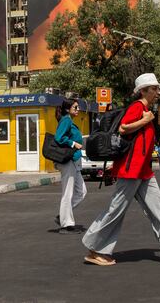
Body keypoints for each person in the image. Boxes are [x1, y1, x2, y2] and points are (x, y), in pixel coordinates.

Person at [82, 73, 160, 267]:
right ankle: (95, 249)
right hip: (131, 170)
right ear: (143, 91)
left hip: (143, 171)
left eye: (158, 88)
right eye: (154, 88)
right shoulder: (137, 107)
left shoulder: (146, 110)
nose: (158, 92)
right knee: (116, 210)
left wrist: (148, 118)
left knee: (158, 208)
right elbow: (123, 128)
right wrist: (145, 120)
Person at [54, 98, 87, 234]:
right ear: (68, 109)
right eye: (75, 107)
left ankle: (63, 215)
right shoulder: (66, 120)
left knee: (81, 192)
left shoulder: (70, 121)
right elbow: (58, 137)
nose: (78, 109)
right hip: (68, 162)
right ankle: (66, 225)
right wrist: (73, 143)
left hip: (74, 161)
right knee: (68, 193)